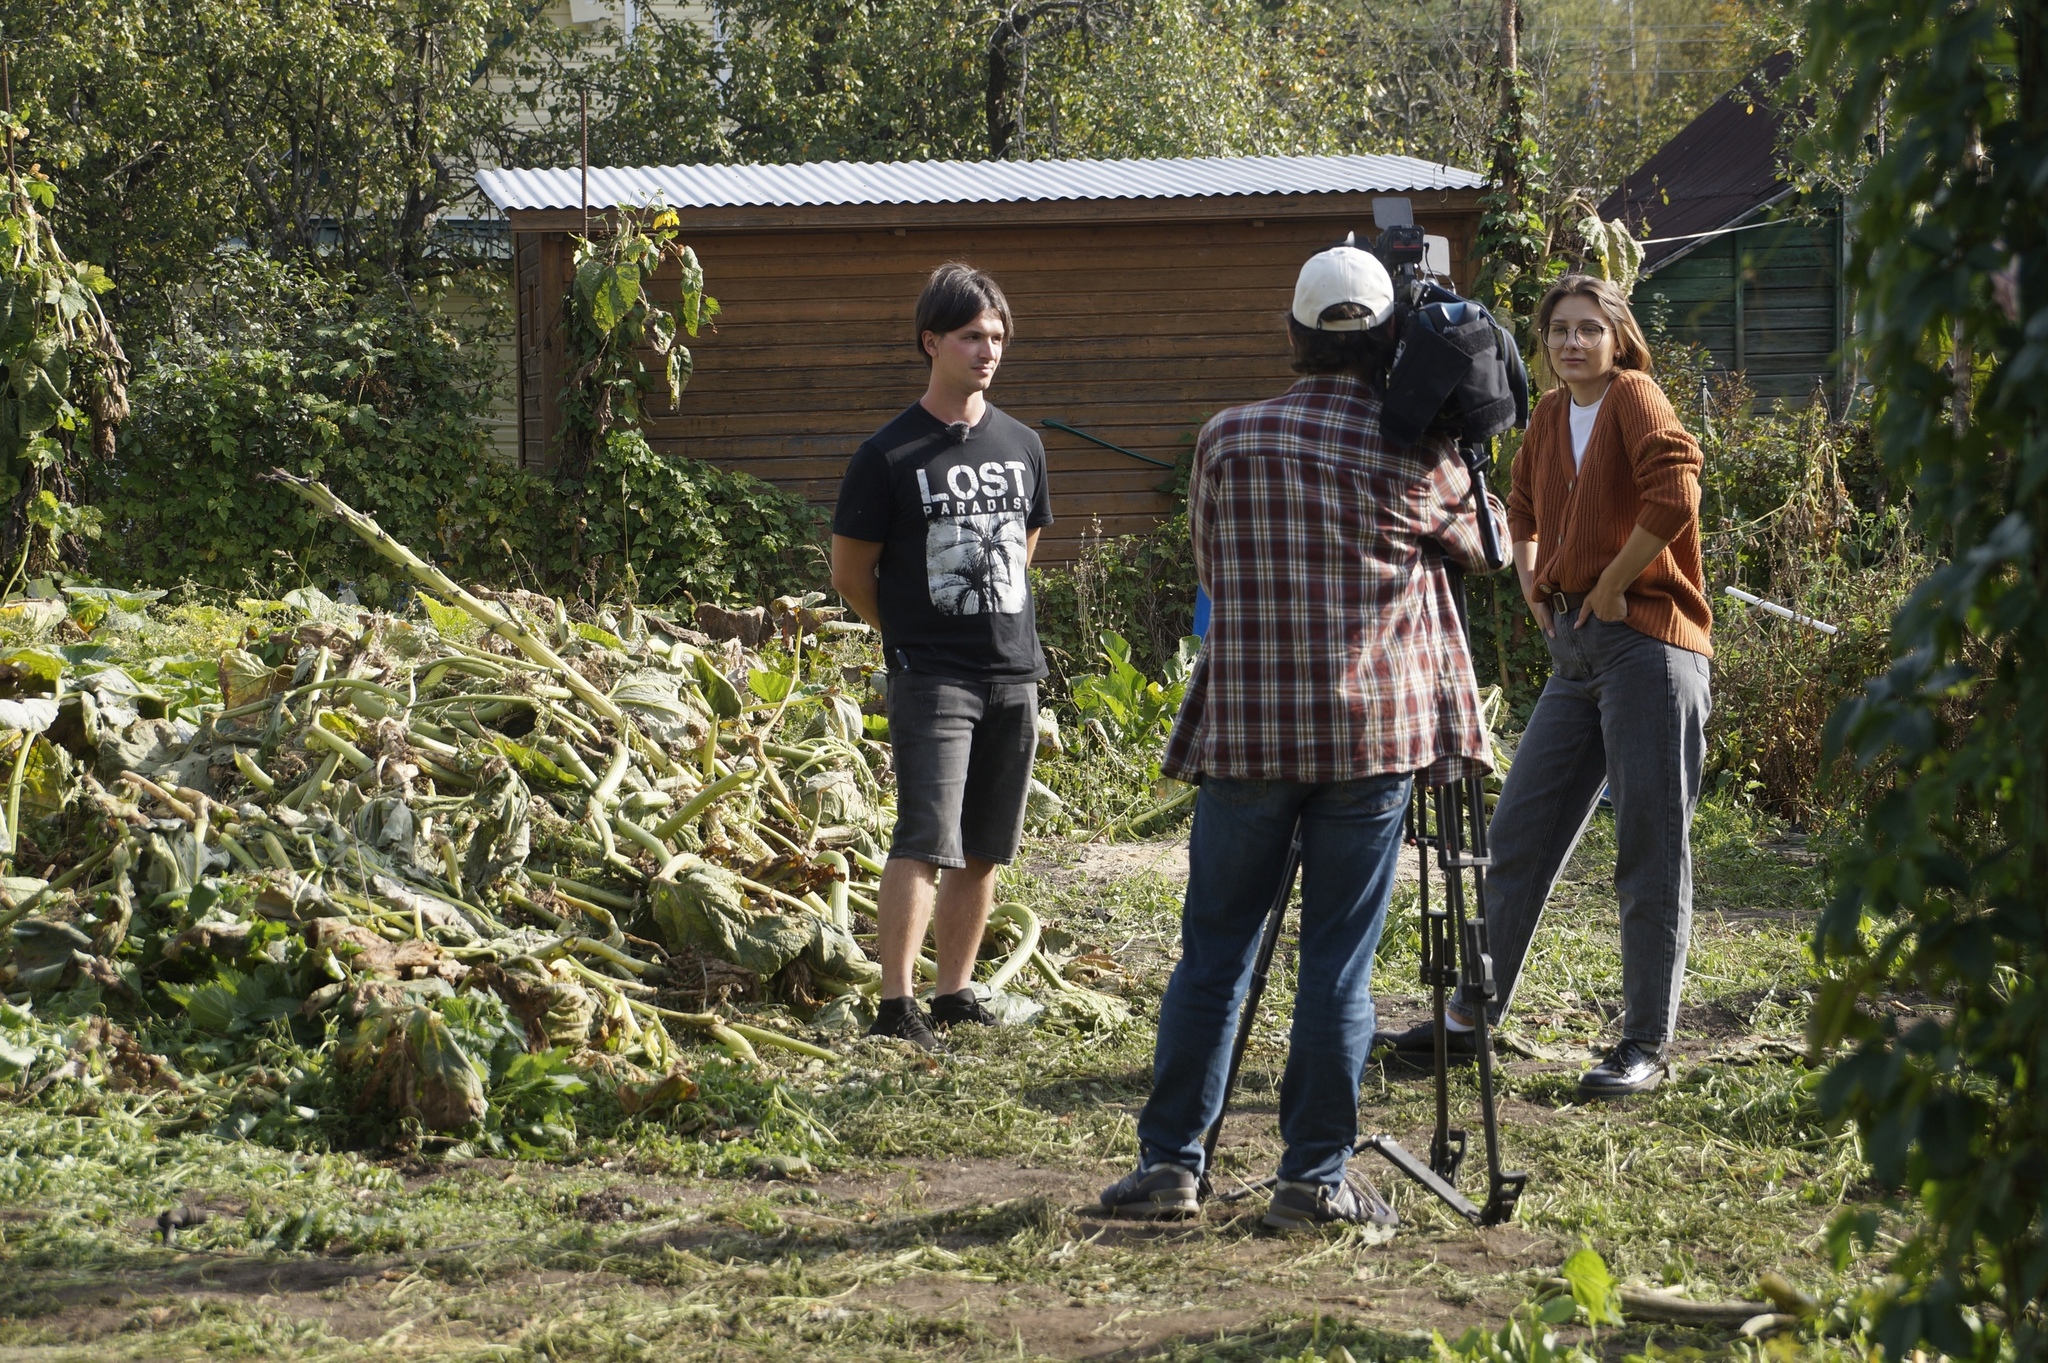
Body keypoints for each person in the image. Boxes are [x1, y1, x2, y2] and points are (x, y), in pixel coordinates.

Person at [1097, 245, 1505, 1228]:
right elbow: (1496, 553)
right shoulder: (1416, 453)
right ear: (1388, 341)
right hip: (1365, 743)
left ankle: (1168, 1167)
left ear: (1291, 333)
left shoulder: (1225, 437)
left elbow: (1211, 559)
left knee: (1212, 954)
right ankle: (1310, 1179)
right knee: (1335, 965)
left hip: (1245, 729)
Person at [1373, 274, 1712, 1097]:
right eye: (1558, 329)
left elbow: (1678, 489)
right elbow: (1518, 510)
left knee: (1648, 846)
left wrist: (1608, 584)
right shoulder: (1553, 415)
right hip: (1579, 650)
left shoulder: (1634, 395)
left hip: (1649, 643)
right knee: (1518, 831)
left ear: (1618, 337)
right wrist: (1537, 591)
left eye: (1588, 328)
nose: (1571, 342)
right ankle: (1468, 1018)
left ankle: (1644, 1043)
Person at [830, 263, 1054, 1051]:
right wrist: (908, 639)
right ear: (932, 342)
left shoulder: (1022, 443)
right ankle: (896, 1004)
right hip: (933, 677)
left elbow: (1024, 549)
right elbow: (851, 574)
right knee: (925, 838)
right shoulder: (888, 454)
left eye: (996, 337)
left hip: (1011, 673)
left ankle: (952, 990)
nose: (987, 350)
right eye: (971, 337)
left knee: (985, 846)